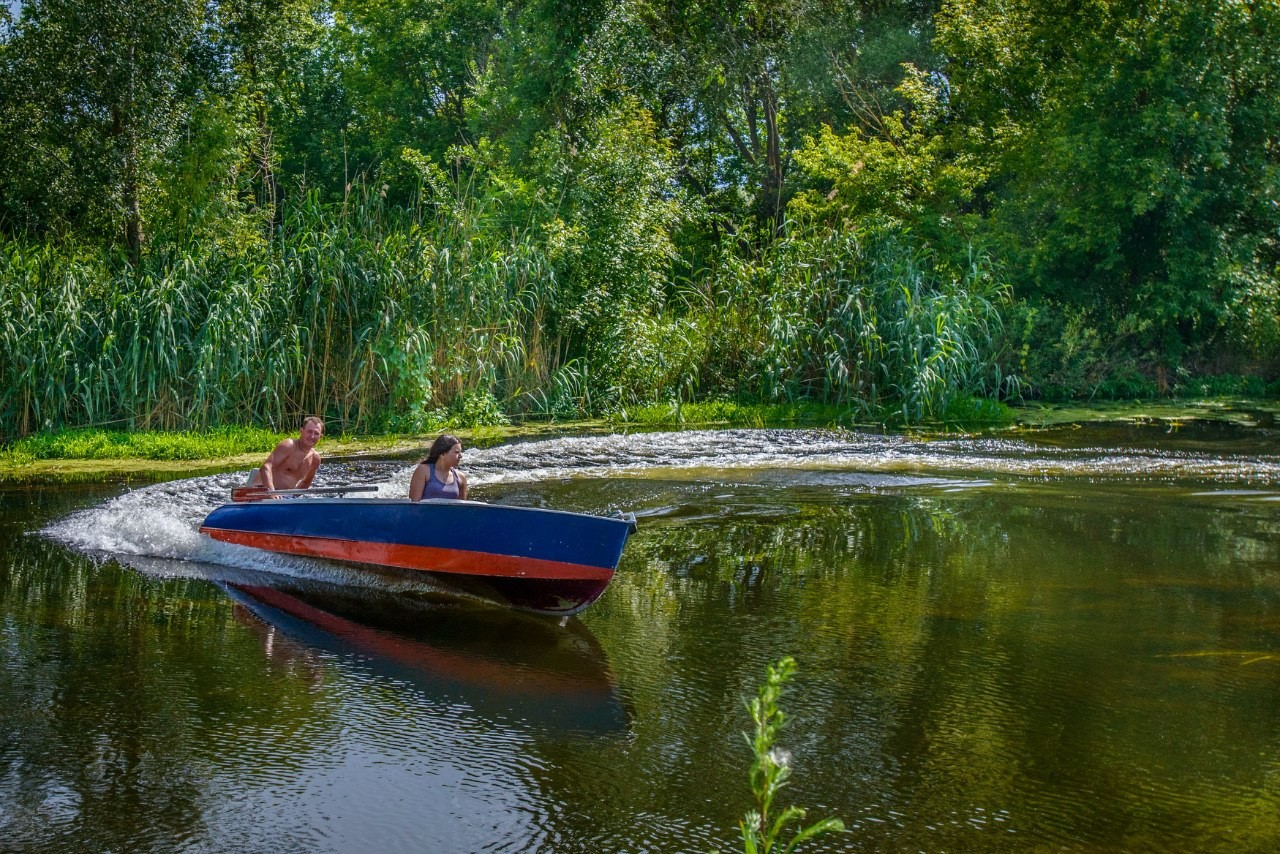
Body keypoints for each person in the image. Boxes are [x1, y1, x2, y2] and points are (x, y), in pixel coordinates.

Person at [249, 416, 324, 492]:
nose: (312, 436)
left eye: (316, 433)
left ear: (320, 436)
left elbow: (305, 482)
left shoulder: (315, 459)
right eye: (309, 431)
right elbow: (265, 467)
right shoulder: (289, 445)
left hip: (284, 497)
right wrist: (272, 494)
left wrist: (293, 497)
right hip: (260, 492)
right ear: (301, 430)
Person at [409, 434, 469, 501]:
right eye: (457, 452)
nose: (461, 456)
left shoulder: (461, 477)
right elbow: (414, 505)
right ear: (442, 454)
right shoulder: (423, 471)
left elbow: (463, 509)